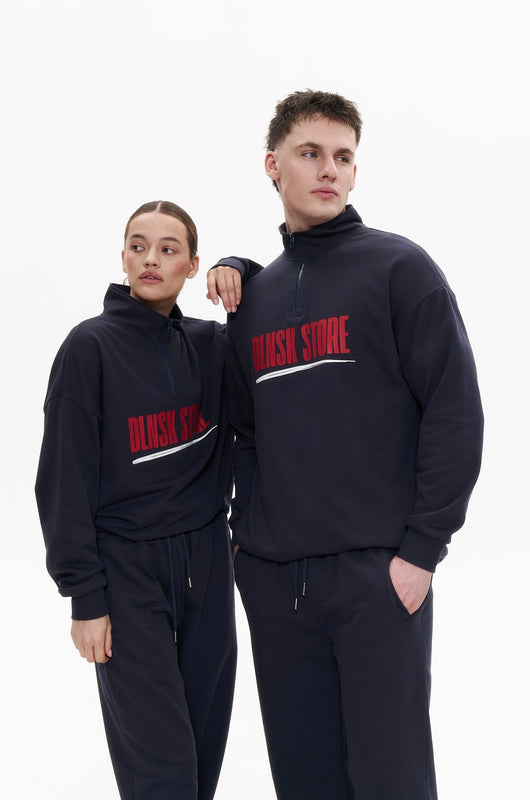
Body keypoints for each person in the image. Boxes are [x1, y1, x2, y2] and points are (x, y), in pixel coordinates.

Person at [208, 91, 484, 799]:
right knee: (305, 782)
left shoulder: (400, 269)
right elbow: (245, 434)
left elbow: (454, 411)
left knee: (393, 781)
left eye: (342, 156)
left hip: (378, 577)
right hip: (275, 582)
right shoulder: (254, 301)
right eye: (310, 153)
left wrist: (421, 552)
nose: (328, 169)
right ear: (273, 165)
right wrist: (247, 548)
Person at [35, 200, 253, 800]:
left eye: (168, 248)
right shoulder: (89, 348)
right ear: (124, 257)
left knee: (202, 755)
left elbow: (269, 307)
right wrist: (85, 595)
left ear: (193, 265)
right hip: (127, 568)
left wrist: (238, 267)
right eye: (138, 245)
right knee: (161, 768)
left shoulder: (213, 345)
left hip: (208, 560)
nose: (151, 258)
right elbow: (62, 479)